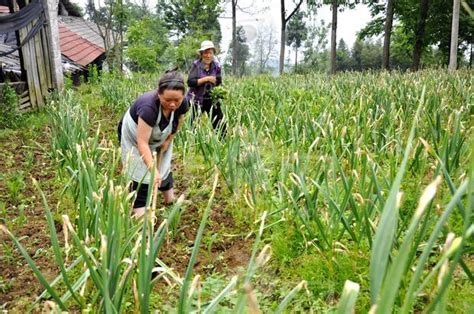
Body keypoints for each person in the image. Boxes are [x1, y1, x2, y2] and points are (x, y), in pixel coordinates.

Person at [118, 70, 189, 217]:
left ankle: (170, 200)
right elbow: (142, 142)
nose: (172, 104)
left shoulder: (182, 104)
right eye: (168, 100)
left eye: (177, 100)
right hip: (135, 137)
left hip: (160, 134)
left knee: (163, 167)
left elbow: (179, 120)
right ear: (159, 93)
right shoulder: (148, 108)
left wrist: (169, 139)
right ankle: (140, 212)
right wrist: (152, 170)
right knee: (140, 172)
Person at [186, 40, 226, 136]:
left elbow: (219, 81)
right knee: (192, 124)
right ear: (201, 54)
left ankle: (222, 142)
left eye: (210, 53)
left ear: (213, 54)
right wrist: (206, 79)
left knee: (219, 123)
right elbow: (190, 82)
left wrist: (218, 88)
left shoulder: (216, 66)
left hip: (211, 98)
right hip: (196, 99)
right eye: (206, 53)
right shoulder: (196, 66)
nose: (208, 56)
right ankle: (191, 143)